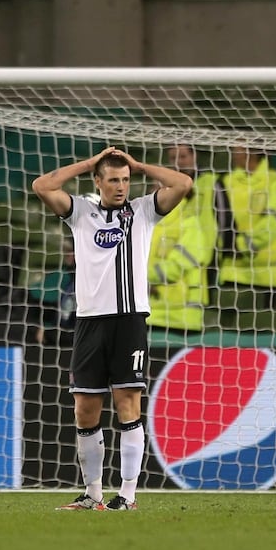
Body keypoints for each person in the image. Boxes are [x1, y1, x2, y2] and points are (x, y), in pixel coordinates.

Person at [32, 146, 192, 511]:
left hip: (129, 319)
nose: (121, 186)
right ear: (98, 181)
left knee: (127, 404)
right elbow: (42, 185)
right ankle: (92, 494)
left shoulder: (144, 210)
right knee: (85, 410)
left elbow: (182, 182)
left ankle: (128, 495)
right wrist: (90, 162)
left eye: (125, 179)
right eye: (113, 179)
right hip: (90, 322)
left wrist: (137, 165)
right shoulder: (80, 213)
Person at [147, 153, 216, 338]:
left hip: (182, 318)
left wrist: (143, 278)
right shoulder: (151, 222)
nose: (153, 190)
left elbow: (176, 267)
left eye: (158, 185)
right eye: (153, 185)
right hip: (152, 314)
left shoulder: (190, 221)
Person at [215, 146, 276, 312]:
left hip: (268, 273)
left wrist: (243, 244)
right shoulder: (226, 181)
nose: (234, 152)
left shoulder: (274, 181)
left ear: (252, 152)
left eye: (238, 148)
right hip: (233, 271)